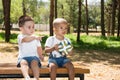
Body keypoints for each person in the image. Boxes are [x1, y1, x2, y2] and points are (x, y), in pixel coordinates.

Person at [17, 15, 44, 80]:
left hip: (34, 57)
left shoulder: (35, 37)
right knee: (23, 63)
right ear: (21, 28)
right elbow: (26, 40)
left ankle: (36, 77)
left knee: (34, 63)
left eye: (33, 27)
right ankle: (27, 77)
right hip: (23, 57)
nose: (32, 29)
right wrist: (35, 37)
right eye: (29, 27)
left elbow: (39, 48)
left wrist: (40, 55)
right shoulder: (20, 36)